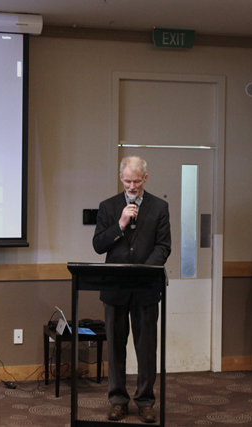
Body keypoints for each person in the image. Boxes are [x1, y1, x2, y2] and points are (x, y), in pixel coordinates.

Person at [92, 156, 171, 424]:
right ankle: (118, 400)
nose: (132, 186)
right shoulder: (108, 206)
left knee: (146, 348)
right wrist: (120, 224)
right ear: (120, 178)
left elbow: (164, 246)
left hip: (145, 288)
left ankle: (146, 401)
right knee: (116, 347)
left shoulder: (160, 207)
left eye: (137, 181)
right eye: (127, 181)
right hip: (115, 289)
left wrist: (142, 271)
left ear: (145, 178)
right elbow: (98, 245)